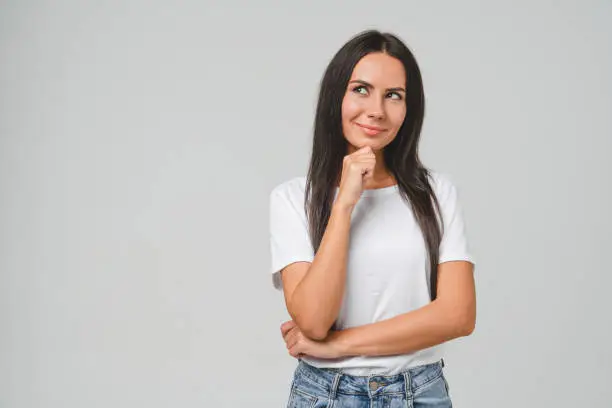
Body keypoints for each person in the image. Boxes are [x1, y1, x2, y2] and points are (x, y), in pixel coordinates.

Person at [268, 29, 476, 408]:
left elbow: (458, 315)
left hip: (421, 393)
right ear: (336, 97)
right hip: (326, 395)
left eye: (393, 95)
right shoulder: (292, 199)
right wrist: (345, 203)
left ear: (408, 109)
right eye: (361, 89)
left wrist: (337, 345)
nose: (377, 109)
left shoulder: (436, 194)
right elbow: (313, 320)